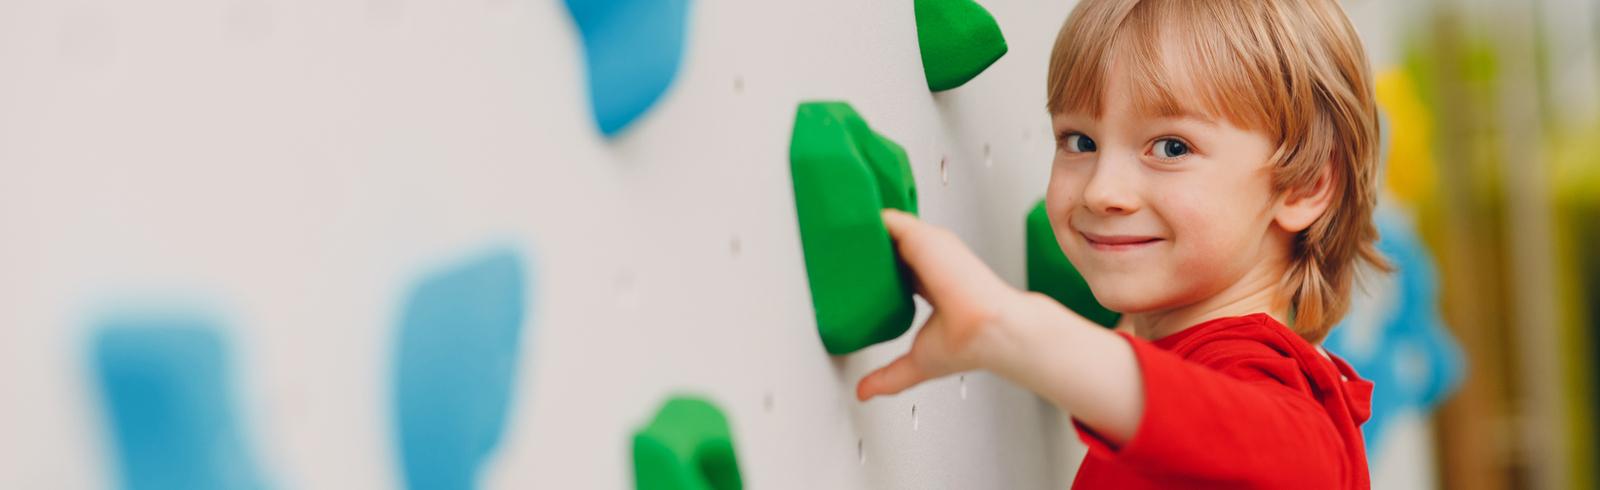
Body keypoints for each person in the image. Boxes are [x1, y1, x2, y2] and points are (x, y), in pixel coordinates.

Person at [855, 0, 1388, 487]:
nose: (1101, 190)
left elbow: (1291, 457)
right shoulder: (1180, 345)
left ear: (1306, 184)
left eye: (1172, 147)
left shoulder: (1262, 379)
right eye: (1079, 141)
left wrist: (1012, 332)